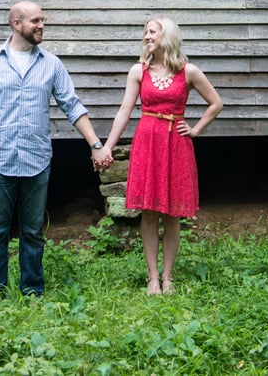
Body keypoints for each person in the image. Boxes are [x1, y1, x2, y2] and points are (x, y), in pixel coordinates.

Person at [0, 0, 109, 298]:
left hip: (36, 160)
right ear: (17, 24)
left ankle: (32, 291)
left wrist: (95, 145)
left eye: (43, 20)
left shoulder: (51, 64)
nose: (42, 25)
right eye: (35, 21)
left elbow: (72, 105)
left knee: (32, 232)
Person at [96, 16, 223, 296]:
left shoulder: (188, 71)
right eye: (145, 33)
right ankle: (152, 277)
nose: (146, 37)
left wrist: (196, 129)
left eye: (151, 32)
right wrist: (107, 146)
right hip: (148, 141)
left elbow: (216, 103)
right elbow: (124, 112)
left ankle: (168, 278)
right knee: (150, 213)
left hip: (176, 144)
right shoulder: (138, 71)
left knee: (173, 215)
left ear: (167, 36)